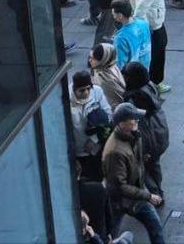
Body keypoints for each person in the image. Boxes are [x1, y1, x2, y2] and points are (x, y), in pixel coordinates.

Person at [102, 103, 166, 243]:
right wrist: (148, 196)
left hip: (135, 193)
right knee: (110, 234)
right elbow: (120, 186)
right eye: (133, 118)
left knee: (155, 227)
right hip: (120, 200)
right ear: (121, 123)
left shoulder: (134, 134)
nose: (137, 120)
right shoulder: (114, 151)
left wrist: (140, 158)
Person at [121, 61, 169, 201]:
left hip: (148, 143)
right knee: (154, 165)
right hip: (161, 134)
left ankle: (156, 195)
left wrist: (143, 150)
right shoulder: (150, 87)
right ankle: (159, 190)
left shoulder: (133, 99)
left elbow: (140, 127)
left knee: (143, 168)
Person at [127, 0, 170, 91]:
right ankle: (156, 82)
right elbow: (140, 11)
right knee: (158, 53)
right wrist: (146, 27)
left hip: (152, 23)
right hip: (154, 26)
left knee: (154, 52)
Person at [69, 70, 113, 180]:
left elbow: (108, 116)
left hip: (96, 147)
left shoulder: (97, 92)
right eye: (82, 90)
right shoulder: (66, 101)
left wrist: (94, 140)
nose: (86, 92)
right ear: (74, 89)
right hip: (78, 153)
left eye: (89, 88)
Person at [111, 0, 152, 71]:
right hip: (145, 68)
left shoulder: (120, 38)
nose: (113, 17)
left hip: (130, 75)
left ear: (120, 15)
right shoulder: (144, 24)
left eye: (114, 14)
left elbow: (119, 64)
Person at [89, 42, 126, 106]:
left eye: (94, 59)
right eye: (90, 57)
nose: (90, 60)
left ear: (103, 59)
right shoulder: (111, 66)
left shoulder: (104, 78)